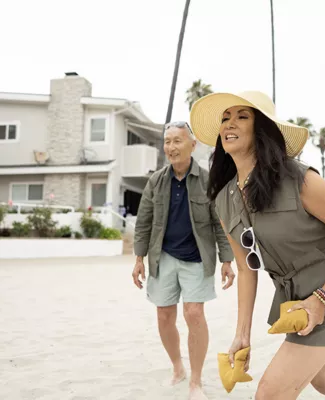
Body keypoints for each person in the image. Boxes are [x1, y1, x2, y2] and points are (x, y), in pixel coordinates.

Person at [190, 91, 325, 399]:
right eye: (225, 118)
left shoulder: (298, 178)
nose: (230, 124)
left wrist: (323, 298)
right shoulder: (223, 200)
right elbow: (246, 268)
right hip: (293, 296)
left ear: (260, 129)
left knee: (270, 392)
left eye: (242, 116)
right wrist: (242, 335)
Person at [132, 121, 235, 400]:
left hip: (196, 259)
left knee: (194, 314)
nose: (171, 147)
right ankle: (178, 368)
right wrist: (139, 258)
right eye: (167, 141)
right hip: (161, 257)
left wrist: (227, 261)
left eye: (177, 141)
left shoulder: (206, 180)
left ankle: (196, 381)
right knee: (164, 316)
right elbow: (143, 222)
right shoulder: (156, 181)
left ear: (193, 145)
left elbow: (220, 223)